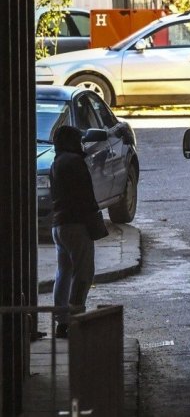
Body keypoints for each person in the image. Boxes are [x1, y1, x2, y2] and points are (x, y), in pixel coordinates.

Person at [50, 125, 100, 338]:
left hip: (59, 225)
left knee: (64, 272)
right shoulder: (74, 162)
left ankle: (61, 322)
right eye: (77, 140)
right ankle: (75, 318)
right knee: (83, 274)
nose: (81, 144)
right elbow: (86, 196)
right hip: (77, 225)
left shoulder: (57, 162)